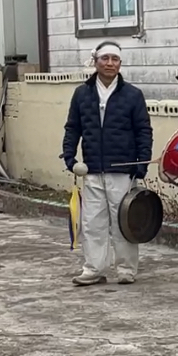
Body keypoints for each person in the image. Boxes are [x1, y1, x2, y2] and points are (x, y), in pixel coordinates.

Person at [61, 41, 152, 286]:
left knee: (124, 222)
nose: (110, 63)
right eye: (105, 58)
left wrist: (141, 164)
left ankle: (126, 269)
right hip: (92, 170)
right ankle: (94, 268)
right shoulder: (82, 94)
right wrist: (70, 158)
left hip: (123, 171)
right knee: (92, 223)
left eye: (115, 59)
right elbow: (73, 128)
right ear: (96, 61)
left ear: (120, 63)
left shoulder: (133, 95)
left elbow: (143, 131)